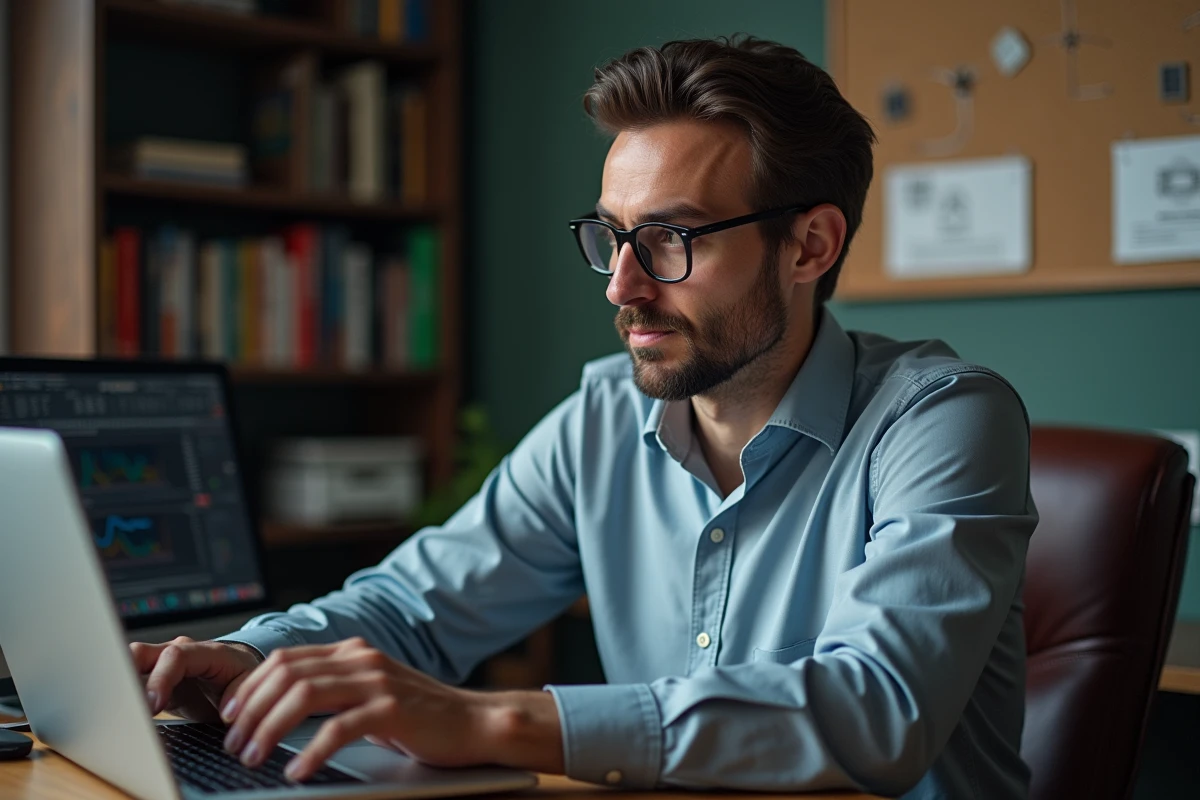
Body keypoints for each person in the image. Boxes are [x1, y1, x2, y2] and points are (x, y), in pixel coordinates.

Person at [133, 36, 1037, 799]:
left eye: (671, 240)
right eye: (612, 235)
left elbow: (877, 708)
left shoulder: (944, 420)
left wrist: (490, 720)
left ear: (809, 245)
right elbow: (416, 607)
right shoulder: (603, 415)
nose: (623, 285)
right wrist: (250, 658)